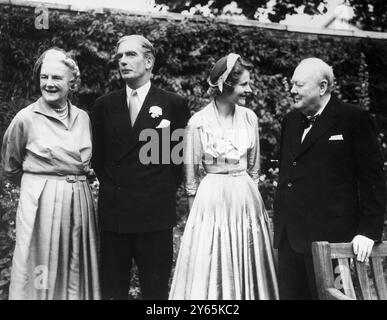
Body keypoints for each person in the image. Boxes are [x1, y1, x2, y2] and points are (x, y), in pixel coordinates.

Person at [273, 57, 386, 300]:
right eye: (292, 84)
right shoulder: (290, 121)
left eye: (299, 85)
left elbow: (373, 180)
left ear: (322, 87)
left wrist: (369, 231)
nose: (292, 90)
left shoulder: (354, 119)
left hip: (333, 242)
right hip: (290, 241)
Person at [169, 53, 279, 300]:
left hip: (245, 197)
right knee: (211, 255)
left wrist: (251, 195)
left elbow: (254, 167)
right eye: (244, 84)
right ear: (225, 85)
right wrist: (195, 220)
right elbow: (190, 178)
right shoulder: (198, 122)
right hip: (212, 198)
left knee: (249, 254)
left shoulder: (250, 117)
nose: (249, 90)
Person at [91, 35, 190, 300]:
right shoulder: (103, 106)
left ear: (149, 61)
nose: (122, 61)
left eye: (130, 55)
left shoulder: (173, 104)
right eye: (120, 56)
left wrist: (155, 193)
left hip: (154, 216)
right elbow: (99, 161)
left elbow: (173, 162)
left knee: (155, 293)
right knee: (113, 290)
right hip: (116, 216)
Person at [0, 48, 100, 300]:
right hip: (41, 203)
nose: (49, 83)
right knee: (39, 266)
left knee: (74, 266)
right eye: (44, 77)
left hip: (79, 203)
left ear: (72, 83)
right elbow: (11, 168)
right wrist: (41, 187)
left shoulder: (83, 118)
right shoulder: (26, 118)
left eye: (56, 78)